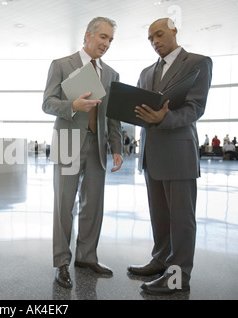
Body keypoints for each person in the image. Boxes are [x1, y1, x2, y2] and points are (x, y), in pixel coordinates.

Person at [130, 18, 213, 295]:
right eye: (150, 38)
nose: (155, 41)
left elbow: (195, 107)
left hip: (178, 152)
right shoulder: (145, 72)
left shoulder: (198, 62)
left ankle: (178, 277)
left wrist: (165, 117)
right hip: (151, 154)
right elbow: (140, 110)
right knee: (160, 216)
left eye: (160, 34)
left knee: (181, 219)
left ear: (175, 31)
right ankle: (161, 260)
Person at [42, 17, 123, 289]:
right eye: (103, 37)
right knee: (64, 205)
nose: (106, 44)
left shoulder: (111, 74)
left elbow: (112, 116)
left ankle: (87, 257)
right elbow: (47, 103)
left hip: (97, 145)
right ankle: (61, 262)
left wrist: (117, 148)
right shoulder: (62, 65)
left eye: (110, 39)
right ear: (88, 35)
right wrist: (73, 105)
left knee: (93, 206)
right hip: (67, 141)